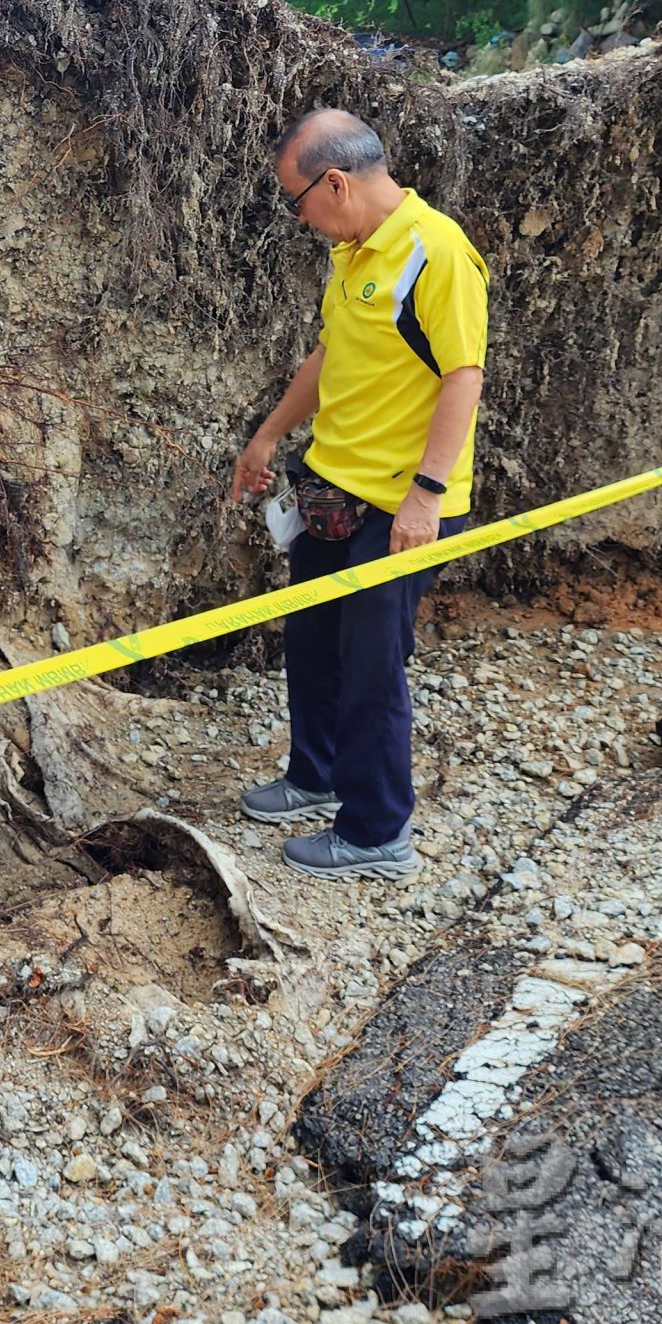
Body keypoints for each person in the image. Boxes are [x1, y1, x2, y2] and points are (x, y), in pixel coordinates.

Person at [226, 109, 489, 882]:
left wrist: (426, 496)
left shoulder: (435, 253)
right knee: (313, 644)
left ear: (335, 182)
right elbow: (330, 356)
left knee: (373, 666)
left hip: (400, 508)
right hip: (333, 494)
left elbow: (462, 376)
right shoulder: (355, 254)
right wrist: (267, 436)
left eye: (298, 200)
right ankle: (316, 776)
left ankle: (377, 832)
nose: (299, 217)